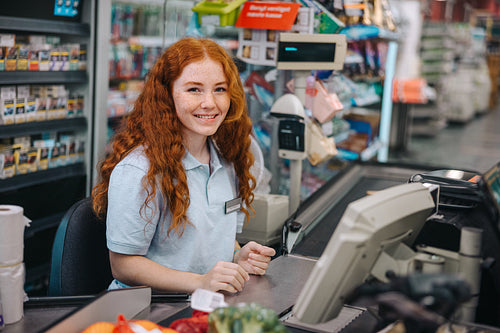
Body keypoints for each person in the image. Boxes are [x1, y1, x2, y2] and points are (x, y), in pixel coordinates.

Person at [92, 37, 276, 294]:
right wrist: (200, 282)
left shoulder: (228, 160)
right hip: (147, 310)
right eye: (194, 90)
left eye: (220, 89)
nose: (210, 103)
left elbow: (212, 237)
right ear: (167, 96)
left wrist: (237, 256)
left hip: (203, 304)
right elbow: (123, 265)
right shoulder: (139, 170)